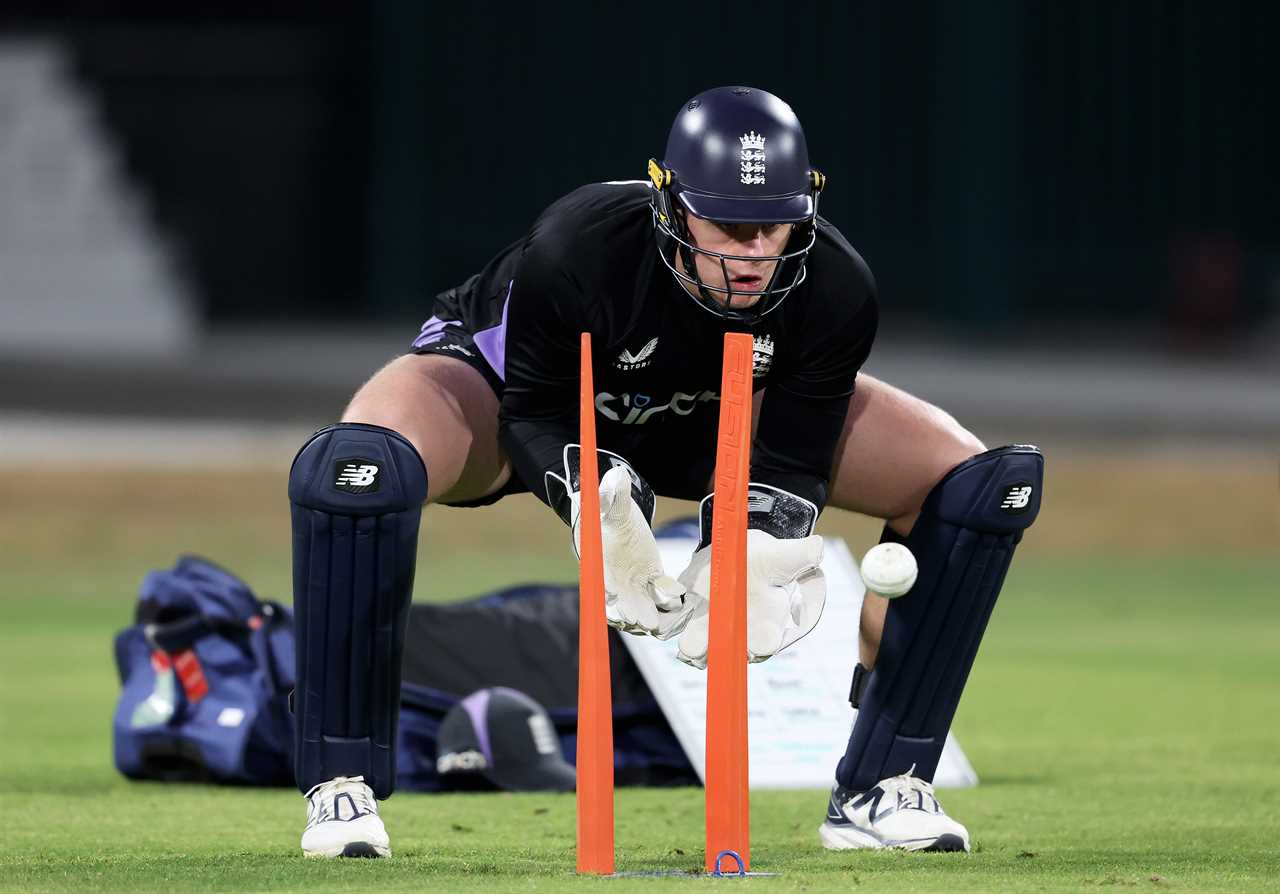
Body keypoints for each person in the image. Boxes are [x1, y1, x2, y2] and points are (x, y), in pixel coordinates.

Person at [287, 85, 1043, 858]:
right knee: (358, 468)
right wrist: (593, 500)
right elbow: (533, 414)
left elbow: (791, 454)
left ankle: (884, 784)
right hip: (510, 394)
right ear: (670, 202)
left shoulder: (837, 289)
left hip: (724, 405)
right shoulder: (578, 246)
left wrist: (748, 546)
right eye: (728, 224)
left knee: (978, 486)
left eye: (771, 227)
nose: (750, 254)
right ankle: (340, 784)